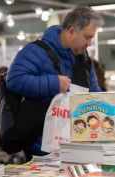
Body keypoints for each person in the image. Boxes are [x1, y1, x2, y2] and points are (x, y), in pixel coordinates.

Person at [6, 6, 104, 162]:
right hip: (42, 151)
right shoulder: (36, 52)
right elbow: (14, 80)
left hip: (77, 149)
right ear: (71, 31)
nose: (90, 43)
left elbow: (94, 92)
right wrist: (53, 83)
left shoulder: (84, 60)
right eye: (87, 37)